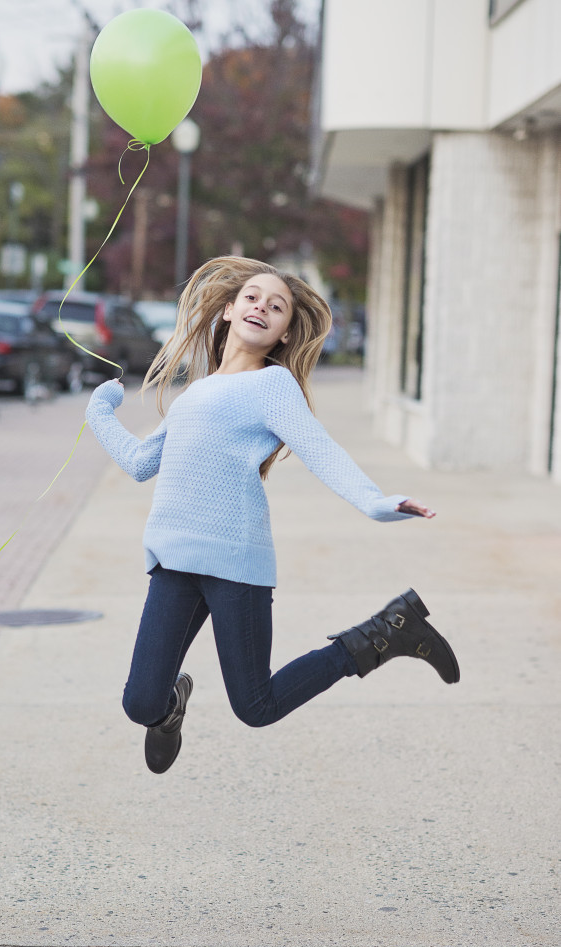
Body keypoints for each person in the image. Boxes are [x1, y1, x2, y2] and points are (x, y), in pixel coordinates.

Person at [86, 256, 459, 774]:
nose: (262, 306)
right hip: (173, 562)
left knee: (255, 707)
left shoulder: (273, 386)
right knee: (140, 704)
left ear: (284, 334)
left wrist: (377, 501)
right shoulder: (197, 392)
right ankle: (170, 709)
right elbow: (140, 463)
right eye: (253, 297)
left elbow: (318, 448)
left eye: (276, 306)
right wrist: (99, 413)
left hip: (235, 564)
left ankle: (383, 633)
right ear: (227, 312)